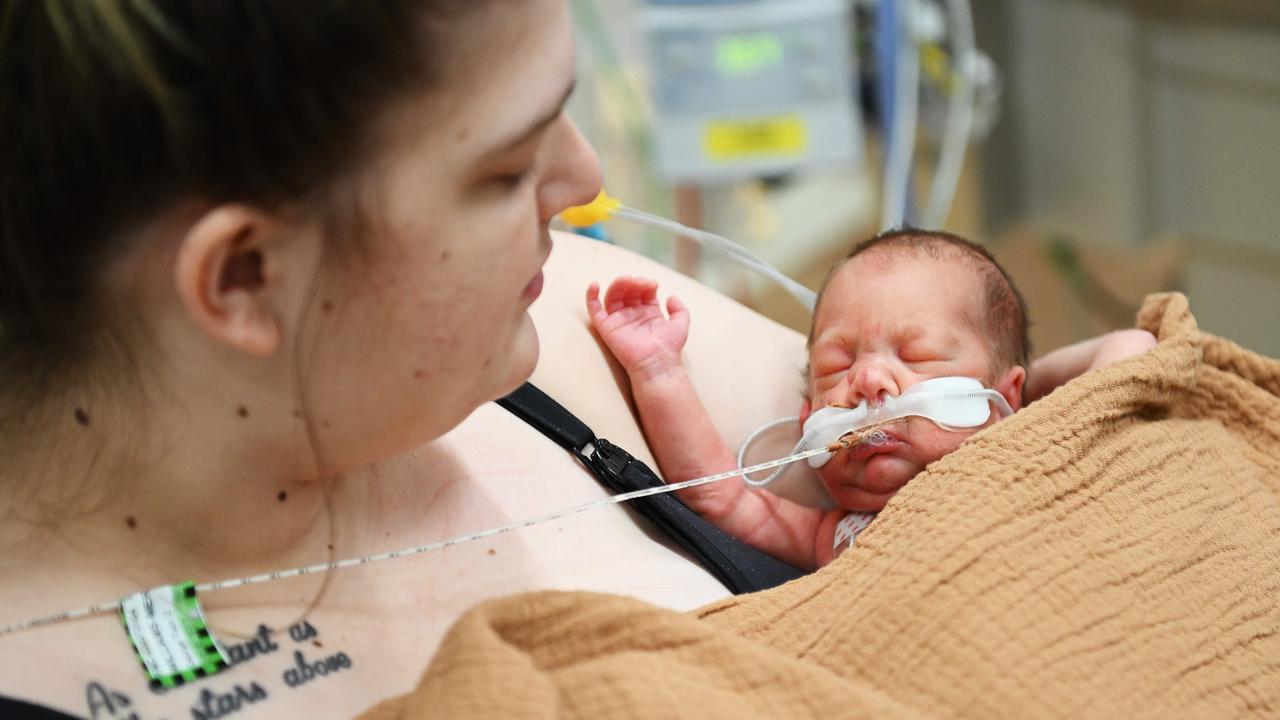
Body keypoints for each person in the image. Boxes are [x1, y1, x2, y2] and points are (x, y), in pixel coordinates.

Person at [0, 2, 1125, 717]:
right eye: (501, 170)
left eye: (563, 115)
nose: (584, 182)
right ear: (245, 276)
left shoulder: (570, 316)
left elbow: (977, 432)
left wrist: (1107, 391)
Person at [587, 229, 1157, 570]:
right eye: (837, 364)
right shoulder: (833, 533)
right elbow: (719, 498)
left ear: (995, 397)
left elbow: (1132, 346)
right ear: (809, 421)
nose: (869, 381)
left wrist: (1024, 401)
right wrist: (658, 369)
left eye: (920, 356)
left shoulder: (1038, 463)